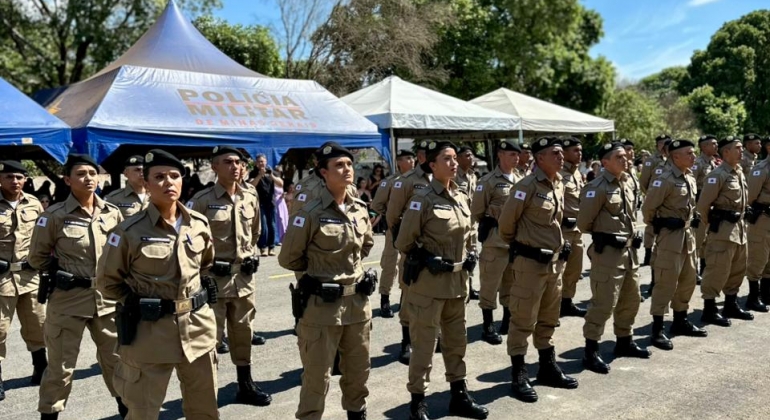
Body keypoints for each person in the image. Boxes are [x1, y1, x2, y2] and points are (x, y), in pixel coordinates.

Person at [96, 149, 219, 419]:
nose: (168, 182)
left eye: (174, 176)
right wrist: (137, 303)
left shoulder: (198, 224)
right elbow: (107, 281)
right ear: (147, 184)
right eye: (159, 177)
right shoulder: (128, 231)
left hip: (198, 330)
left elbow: (206, 265)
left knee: (205, 410)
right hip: (149, 335)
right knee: (143, 413)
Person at [278, 142, 374, 420]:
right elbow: (289, 258)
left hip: (357, 305)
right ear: (323, 172)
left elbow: (365, 245)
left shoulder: (359, 208)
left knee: (358, 373)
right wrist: (322, 273)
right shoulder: (310, 212)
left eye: (348, 164)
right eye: (339, 166)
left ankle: (357, 414)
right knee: (317, 378)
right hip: (321, 308)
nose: (346, 170)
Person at [395, 141, 488, 420]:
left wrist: (471, 254)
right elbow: (403, 242)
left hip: (457, 285)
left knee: (457, 343)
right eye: (446, 159)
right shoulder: (421, 199)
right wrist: (426, 257)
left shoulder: (461, 196)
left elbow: (468, 233)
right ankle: (418, 402)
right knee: (423, 345)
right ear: (432, 165)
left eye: (454, 158)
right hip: (428, 286)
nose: (454, 163)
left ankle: (459, 396)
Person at [29, 154, 125, 419]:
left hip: (106, 301)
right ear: (68, 180)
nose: (88, 179)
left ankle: (127, 412)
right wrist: (62, 274)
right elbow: (36, 257)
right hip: (68, 301)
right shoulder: (54, 216)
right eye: (81, 174)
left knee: (117, 363)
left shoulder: (112, 213)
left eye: (92, 173)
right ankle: (50, 414)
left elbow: (120, 255)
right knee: (60, 368)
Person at [188, 146, 272, 407]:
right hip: (213, 281)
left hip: (244, 280)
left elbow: (255, 233)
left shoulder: (250, 195)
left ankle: (245, 385)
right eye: (227, 162)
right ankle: (205, 393)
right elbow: (190, 243)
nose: (235, 166)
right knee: (208, 338)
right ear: (214, 167)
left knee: (243, 333)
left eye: (238, 162)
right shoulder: (201, 200)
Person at [499, 137, 578, 402]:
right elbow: (506, 225)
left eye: (561, 153)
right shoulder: (526, 186)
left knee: (548, 317)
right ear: (539, 158)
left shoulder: (557, 183)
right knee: (522, 320)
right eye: (554, 153)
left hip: (554, 264)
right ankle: (519, 375)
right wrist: (526, 246)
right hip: (530, 264)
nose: (561, 157)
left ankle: (546, 367)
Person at [579, 142, 650, 374]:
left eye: (625, 156)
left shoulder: (628, 181)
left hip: (629, 252)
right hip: (608, 254)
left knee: (631, 298)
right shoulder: (596, 186)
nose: (625, 159)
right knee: (604, 303)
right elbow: (583, 223)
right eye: (618, 157)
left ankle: (624, 341)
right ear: (605, 162)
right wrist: (607, 235)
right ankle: (591, 351)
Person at [641, 139, 709, 351]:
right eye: (689, 153)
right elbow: (648, 209)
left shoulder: (687, 176)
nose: (693, 156)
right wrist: (661, 223)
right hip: (669, 236)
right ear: (675, 157)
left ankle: (680, 320)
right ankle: (657, 329)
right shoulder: (664, 178)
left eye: (693, 153)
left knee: (688, 279)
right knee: (665, 282)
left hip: (687, 234)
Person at [0, 161, 47, 403]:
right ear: (0, 179)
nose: (14, 181)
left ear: (26, 180)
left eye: (19, 177)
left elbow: (43, 236)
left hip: (31, 277)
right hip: (1, 279)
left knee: (38, 325)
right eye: (9, 177)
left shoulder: (34, 203)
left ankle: (41, 368)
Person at [697, 136, 752, 327]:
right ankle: (709, 309)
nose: (741, 151)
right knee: (717, 270)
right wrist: (713, 223)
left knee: (738, 269)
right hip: (722, 231)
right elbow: (703, 206)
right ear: (726, 152)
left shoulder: (739, 172)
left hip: (740, 229)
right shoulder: (717, 175)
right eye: (737, 148)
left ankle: (730, 304)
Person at [471, 140, 522, 345]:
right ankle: (487, 324)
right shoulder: (488, 181)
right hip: (495, 242)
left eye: (517, 155)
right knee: (490, 284)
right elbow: (476, 211)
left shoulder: (521, 179)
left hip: (515, 242)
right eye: (512, 154)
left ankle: (507, 318)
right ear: (500, 155)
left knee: (511, 283)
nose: (516, 158)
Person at [387, 141, 432, 364]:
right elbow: (393, 217)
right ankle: (406, 340)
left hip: (437, 249)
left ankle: (433, 336)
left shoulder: (443, 180)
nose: (422, 158)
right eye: (421, 154)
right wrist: (404, 244)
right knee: (409, 292)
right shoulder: (406, 182)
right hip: (413, 248)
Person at [371, 149, 416, 318]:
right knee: (390, 264)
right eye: (407, 159)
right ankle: (385, 299)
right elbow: (377, 205)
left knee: (408, 265)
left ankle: (406, 298)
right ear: (399, 162)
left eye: (412, 158)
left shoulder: (421, 180)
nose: (412, 162)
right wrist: (391, 220)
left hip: (413, 230)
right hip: (395, 228)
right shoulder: (389, 182)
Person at [559, 137, 587, 318]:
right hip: (562, 231)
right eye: (575, 150)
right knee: (558, 273)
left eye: (580, 150)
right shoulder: (558, 174)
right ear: (565, 153)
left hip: (577, 230)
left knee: (574, 271)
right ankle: (551, 309)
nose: (579, 154)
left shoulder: (577, 173)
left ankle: (566, 303)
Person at [743, 136, 770, 311]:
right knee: (758, 257)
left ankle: (766, 293)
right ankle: (753, 297)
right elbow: (750, 196)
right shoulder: (761, 169)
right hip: (763, 219)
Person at [640, 134, 672, 268]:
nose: (663, 146)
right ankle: (648, 252)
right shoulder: (651, 160)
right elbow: (643, 181)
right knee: (650, 227)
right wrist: (651, 196)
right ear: (657, 145)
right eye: (661, 143)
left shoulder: (673, 159)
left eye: (666, 143)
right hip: (654, 199)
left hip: (669, 201)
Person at [693, 135, 720, 280]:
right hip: (699, 205)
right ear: (703, 147)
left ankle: (704, 269)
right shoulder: (697, 163)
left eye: (716, 144)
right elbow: (691, 184)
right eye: (713, 144)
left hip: (711, 206)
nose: (716, 146)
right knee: (697, 240)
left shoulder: (714, 163)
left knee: (707, 241)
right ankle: (694, 272)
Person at [455, 145, 479, 300]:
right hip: (460, 222)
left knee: (472, 254)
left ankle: (469, 286)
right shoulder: (454, 175)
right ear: (459, 158)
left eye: (472, 156)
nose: (471, 158)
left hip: (472, 223)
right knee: (460, 255)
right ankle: (460, 286)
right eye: (468, 155)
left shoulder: (472, 175)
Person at [252, 154, 278, 256]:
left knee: (272, 225)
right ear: (256, 163)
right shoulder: (253, 173)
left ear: (266, 162)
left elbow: (281, 183)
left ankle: (271, 247)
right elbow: (251, 185)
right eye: (259, 162)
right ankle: (263, 247)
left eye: (262, 161)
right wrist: (259, 175)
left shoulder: (271, 172)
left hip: (271, 203)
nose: (261, 163)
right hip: (259, 203)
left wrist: (271, 176)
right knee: (262, 226)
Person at [273, 165, 289, 244]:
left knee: (284, 220)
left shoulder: (280, 179)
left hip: (281, 202)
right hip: (275, 202)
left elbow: (281, 187)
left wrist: (283, 195)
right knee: (278, 219)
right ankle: (277, 238)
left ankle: (284, 237)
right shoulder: (272, 180)